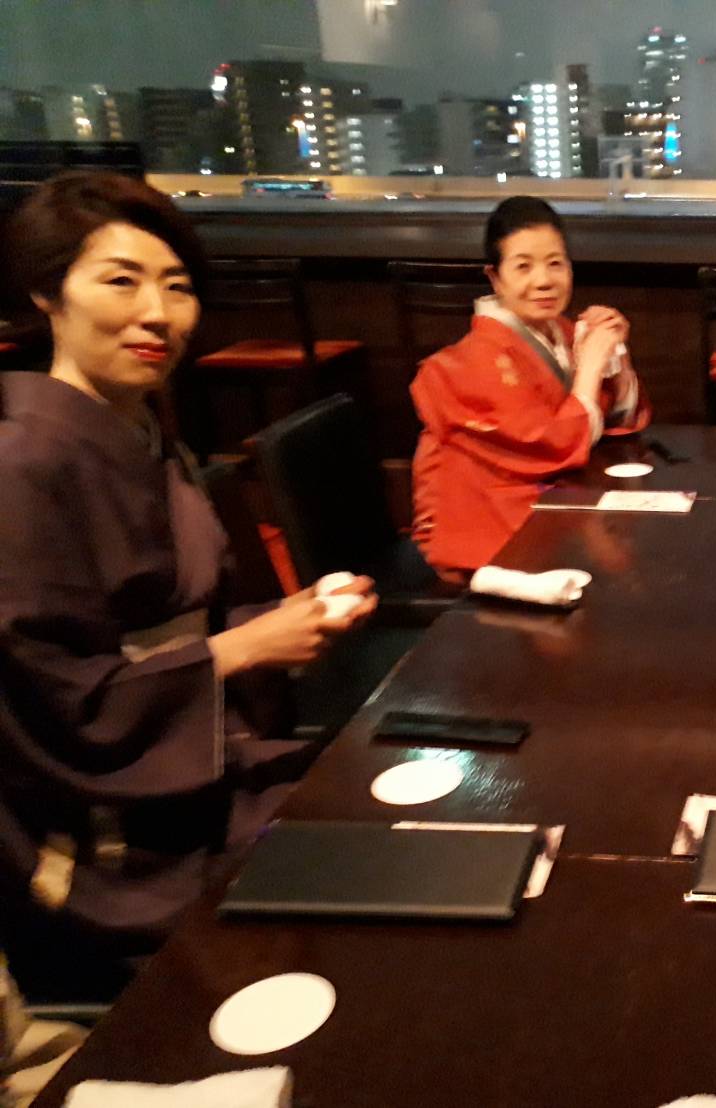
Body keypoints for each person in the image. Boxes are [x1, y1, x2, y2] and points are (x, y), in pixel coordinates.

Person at [0, 172, 378, 1000]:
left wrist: (283, 621)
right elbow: (56, 707)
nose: (158, 314)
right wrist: (241, 650)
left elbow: (189, 614)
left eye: (177, 287)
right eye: (121, 281)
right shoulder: (21, 464)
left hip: (202, 771)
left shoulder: (139, 430)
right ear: (46, 293)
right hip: (114, 842)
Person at [410, 196, 651, 575]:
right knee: (623, 573)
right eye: (523, 266)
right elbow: (550, 446)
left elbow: (613, 421)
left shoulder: (562, 332)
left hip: (548, 508)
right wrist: (590, 368)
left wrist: (615, 357)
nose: (543, 281)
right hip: (486, 531)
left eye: (555, 263)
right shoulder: (473, 362)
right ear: (495, 277)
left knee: (631, 560)